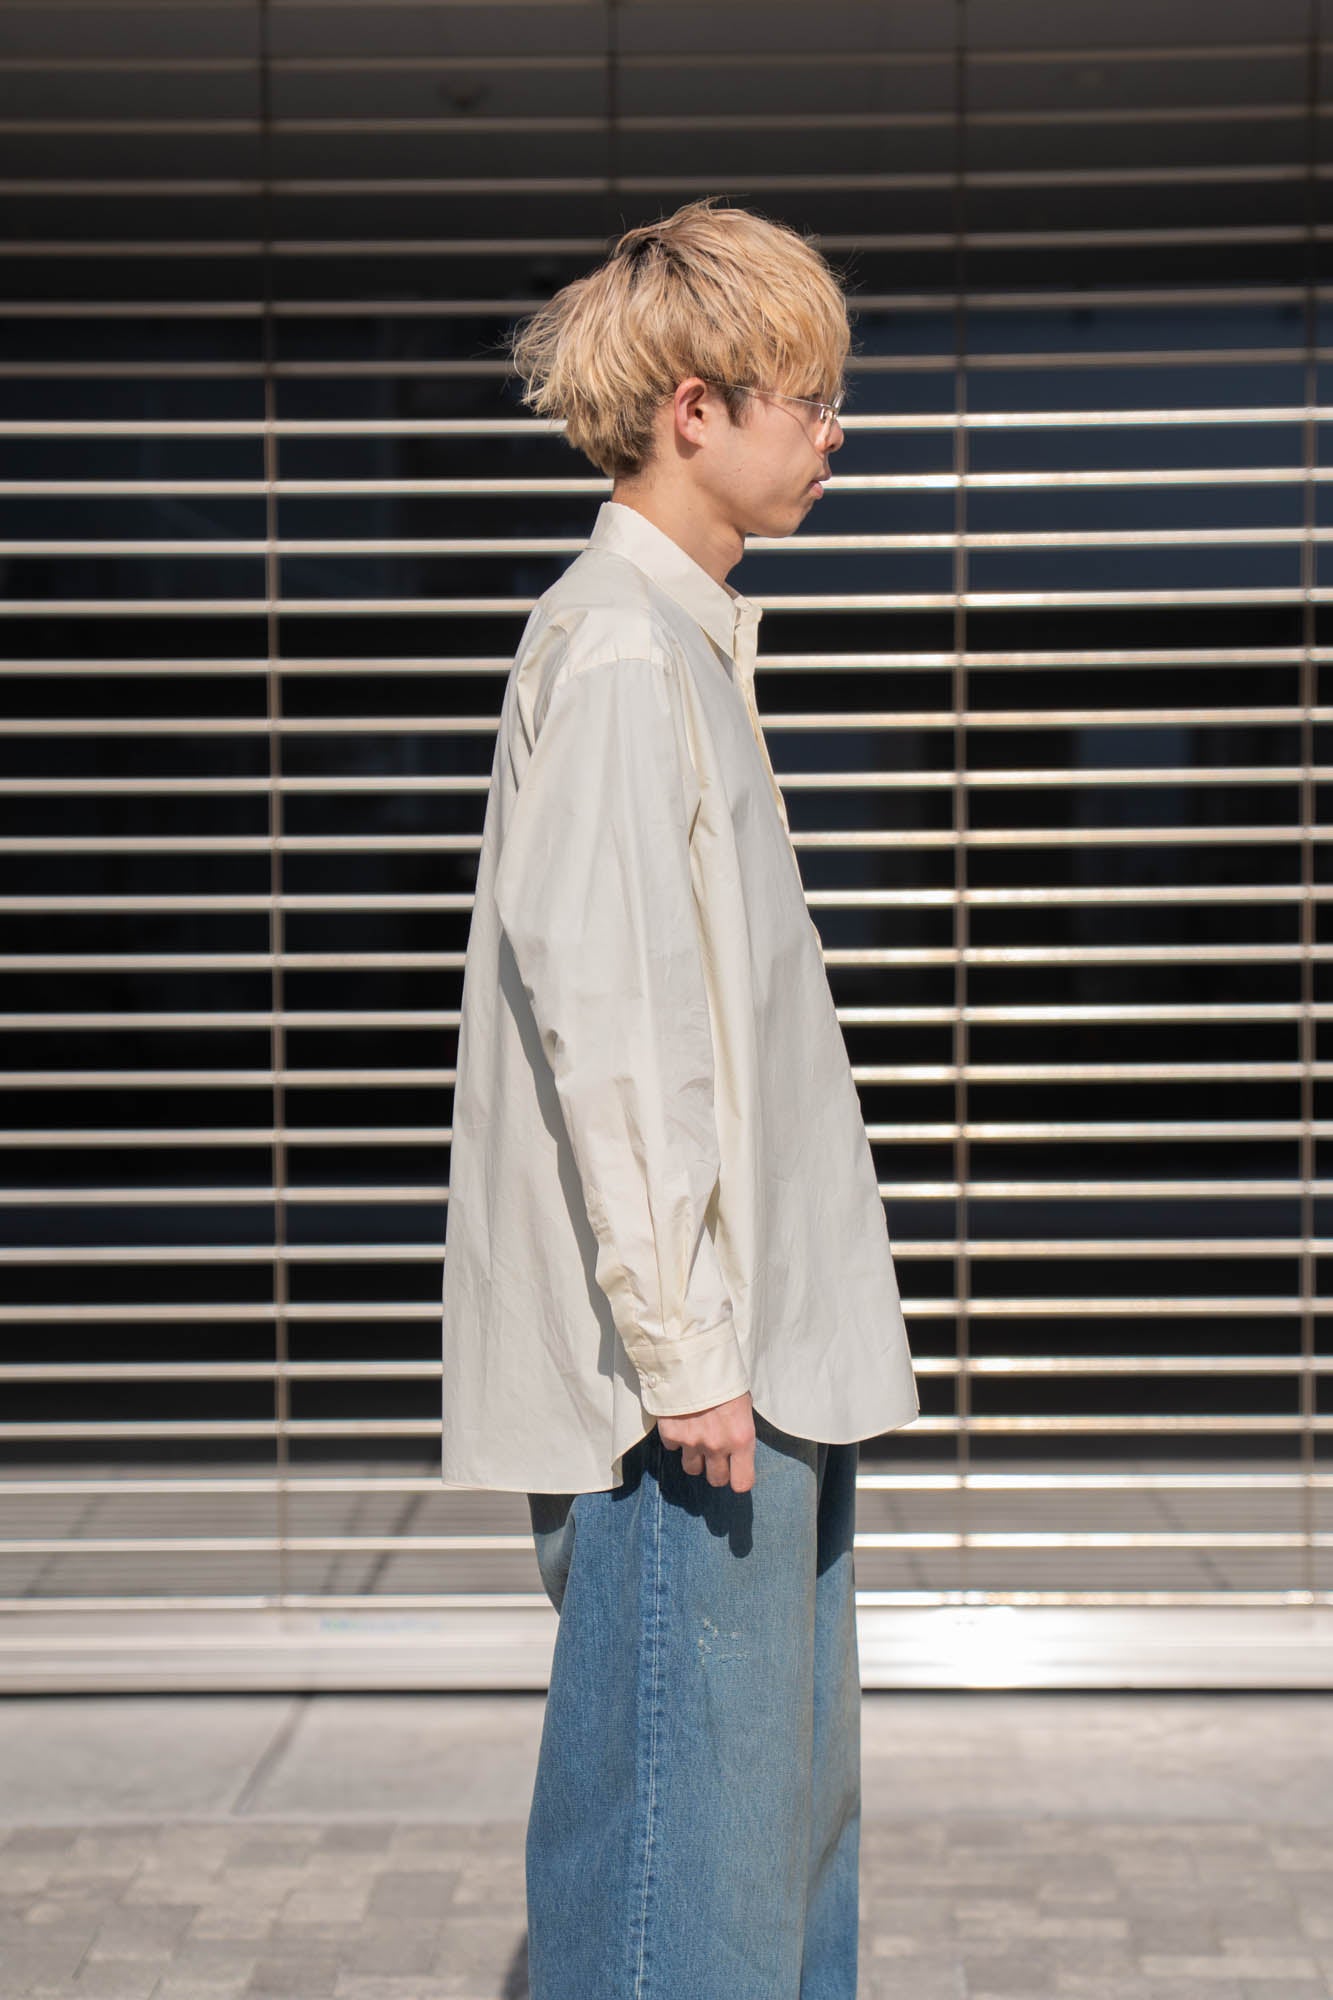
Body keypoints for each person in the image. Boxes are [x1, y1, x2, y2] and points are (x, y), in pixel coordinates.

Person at [440, 196, 920, 2000]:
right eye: (809, 397)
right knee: (686, 1880)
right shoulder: (627, 656)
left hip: (749, 1362)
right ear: (693, 409)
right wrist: (686, 1352)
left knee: (765, 1852)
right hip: (694, 1392)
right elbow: (621, 1029)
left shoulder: (681, 643)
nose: (835, 431)